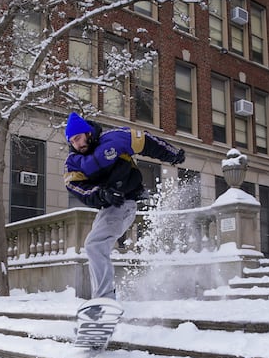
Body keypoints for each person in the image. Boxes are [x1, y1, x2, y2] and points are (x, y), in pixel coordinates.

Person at [63, 112, 185, 300]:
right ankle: (105, 296)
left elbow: (146, 141)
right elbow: (77, 188)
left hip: (125, 202)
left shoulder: (114, 139)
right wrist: (102, 193)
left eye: (78, 138)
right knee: (94, 246)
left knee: (94, 245)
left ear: (88, 133)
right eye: (72, 141)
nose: (77, 145)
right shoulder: (74, 163)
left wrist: (172, 154)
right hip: (108, 208)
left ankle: (104, 297)